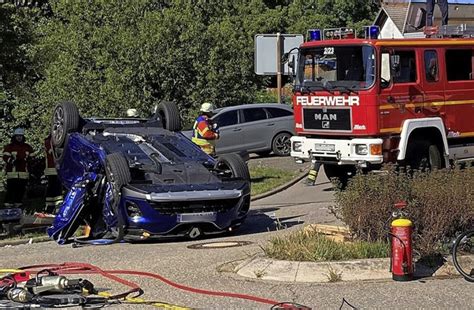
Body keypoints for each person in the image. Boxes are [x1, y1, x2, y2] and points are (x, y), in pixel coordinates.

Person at [2, 128, 34, 209]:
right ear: (14, 137)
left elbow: (32, 158)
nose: (19, 138)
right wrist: (12, 161)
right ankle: (7, 207)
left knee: (20, 191)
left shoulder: (27, 147)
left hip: (24, 174)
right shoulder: (9, 147)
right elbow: (5, 157)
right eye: (17, 136)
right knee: (11, 191)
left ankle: (18, 207)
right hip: (12, 174)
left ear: (23, 137)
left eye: (21, 136)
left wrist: (29, 161)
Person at [43, 134, 63, 214]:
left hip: (54, 169)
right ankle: (55, 207)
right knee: (55, 187)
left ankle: (50, 207)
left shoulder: (49, 141)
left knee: (53, 187)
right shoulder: (50, 142)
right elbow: (51, 152)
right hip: (53, 168)